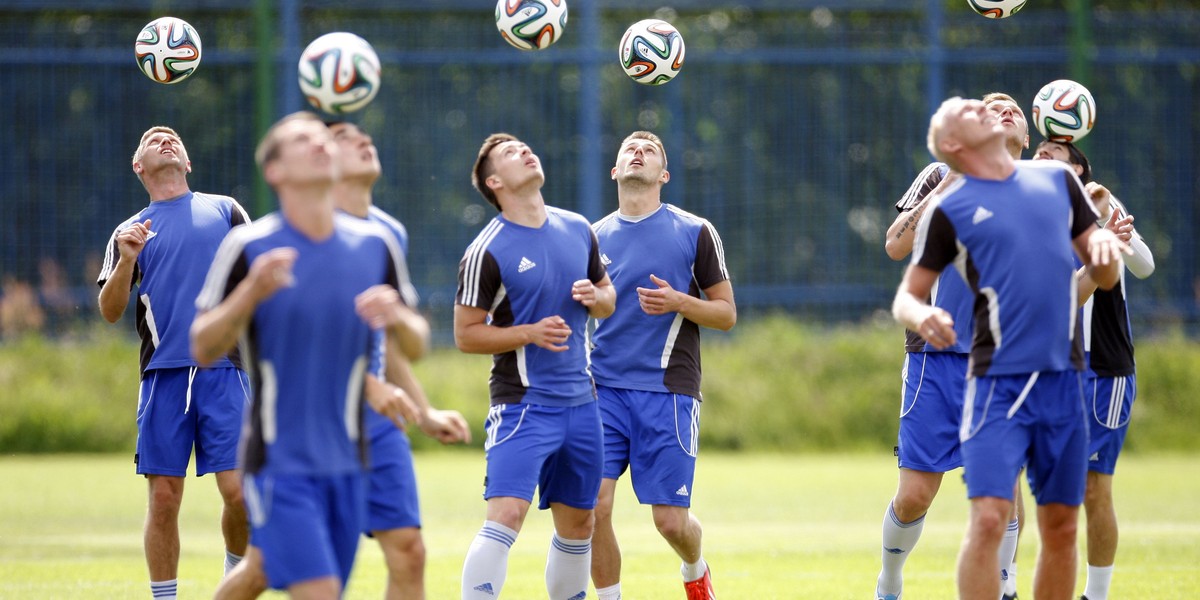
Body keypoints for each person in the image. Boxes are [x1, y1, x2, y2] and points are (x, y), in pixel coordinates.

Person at [212, 120, 473, 600]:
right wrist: (357, 383)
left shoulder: (381, 239)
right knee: (289, 578)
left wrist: (420, 403)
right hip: (287, 443)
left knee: (407, 552)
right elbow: (224, 341)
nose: (357, 142)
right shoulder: (266, 243)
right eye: (343, 138)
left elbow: (398, 341)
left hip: (361, 437)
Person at [893, 96, 1127, 600]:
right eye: (973, 111)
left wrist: (1105, 247)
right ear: (955, 145)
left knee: (1061, 525)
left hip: (1060, 380)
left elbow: (1094, 278)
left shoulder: (1060, 182)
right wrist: (922, 314)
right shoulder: (950, 204)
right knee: (990, 516)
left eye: (1003, 107)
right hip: (993, 382)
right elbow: (908, 295)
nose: (993, 107)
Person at [876, 93, 1029, 600]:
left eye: (1015, 109)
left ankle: (1004, 586)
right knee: (917, 494)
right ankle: (890, 581)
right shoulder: (939, 173)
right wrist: (944, 185)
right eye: (992, 107)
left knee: (1001, 492)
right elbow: (895, 244)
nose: (1004, 110)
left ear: (1026, 140)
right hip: (933, 357)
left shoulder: (1038, 189)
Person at [455, 133, 616, 600]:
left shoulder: (578, 228)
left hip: (583, 407)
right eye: (510, 153)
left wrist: (597, 297)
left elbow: (607, 297)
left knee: (581, 523)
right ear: (494, 181)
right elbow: (466, 334)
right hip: (524, 407)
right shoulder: (486, 250)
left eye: (527, 146)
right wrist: (528, 333)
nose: (526, 151)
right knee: (506, 516)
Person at [96, 125, 251, 600]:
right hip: (163, 377)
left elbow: (261, 280)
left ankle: (234, 582)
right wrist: (126, 261)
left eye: (175, 139)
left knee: (241, 494)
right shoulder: (130, 230)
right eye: (152, 139)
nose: (167, 141)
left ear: (188, 163)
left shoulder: (226, 210)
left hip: (226, 370)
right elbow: (109, 310)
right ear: (138, 166)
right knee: (164, 499)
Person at [586, 131, 736, 600]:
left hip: (667, 391)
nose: (638, 153)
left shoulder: (694, 231)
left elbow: (727, 314)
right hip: (601, 390)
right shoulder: (591, 236)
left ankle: (695, 567)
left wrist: (678, 301)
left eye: (649, 151)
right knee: (593, 506)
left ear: (663, 176)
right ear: (614, 171)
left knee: (669, 522)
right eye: (629, 149)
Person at [1032, 140, 1156, 600]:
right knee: (1053, 492)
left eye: (1054, 151)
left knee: (1092, 488)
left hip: (1103, 369)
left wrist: (1109, 229)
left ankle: (1096, 595)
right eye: (1039, 150)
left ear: (1079, 167)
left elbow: (1144, 265)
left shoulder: (1100, 202)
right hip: (1051, 371)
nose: (1042, 155)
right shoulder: (1029, 209)